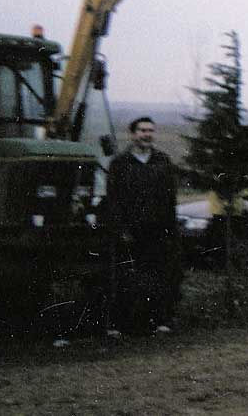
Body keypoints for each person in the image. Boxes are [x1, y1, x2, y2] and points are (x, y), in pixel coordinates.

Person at [105, 116, 182, 334]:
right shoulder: (120, 164)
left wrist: (170, 229)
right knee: (125, 277)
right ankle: (120, 325)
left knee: (158, 277)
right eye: (142, 130)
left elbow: (170, 199)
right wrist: (121, 229)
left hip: (157, 230)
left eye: (150, 130)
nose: (147, 134)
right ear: (133, 134)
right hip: (130, 232)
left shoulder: (163, 162)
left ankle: (159, 321)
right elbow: (114, 200)